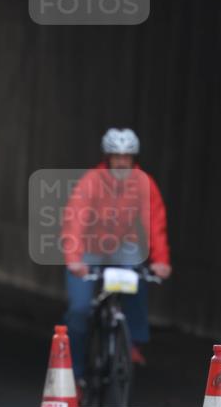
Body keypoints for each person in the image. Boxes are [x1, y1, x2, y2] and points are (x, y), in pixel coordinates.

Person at [62, 127, 171, 386]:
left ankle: (132, 342)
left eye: (127, 157)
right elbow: (75, 219)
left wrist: (161, 260)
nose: (122, 162)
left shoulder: (144, 183)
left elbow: (155, 222)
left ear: (134, 159)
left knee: (138, 276)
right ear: (108, 157)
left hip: (124, 246)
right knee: (79, 310)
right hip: (89, 248)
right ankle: (75, 377)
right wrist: (74, 258)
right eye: (117, 156)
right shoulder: (91, 181)